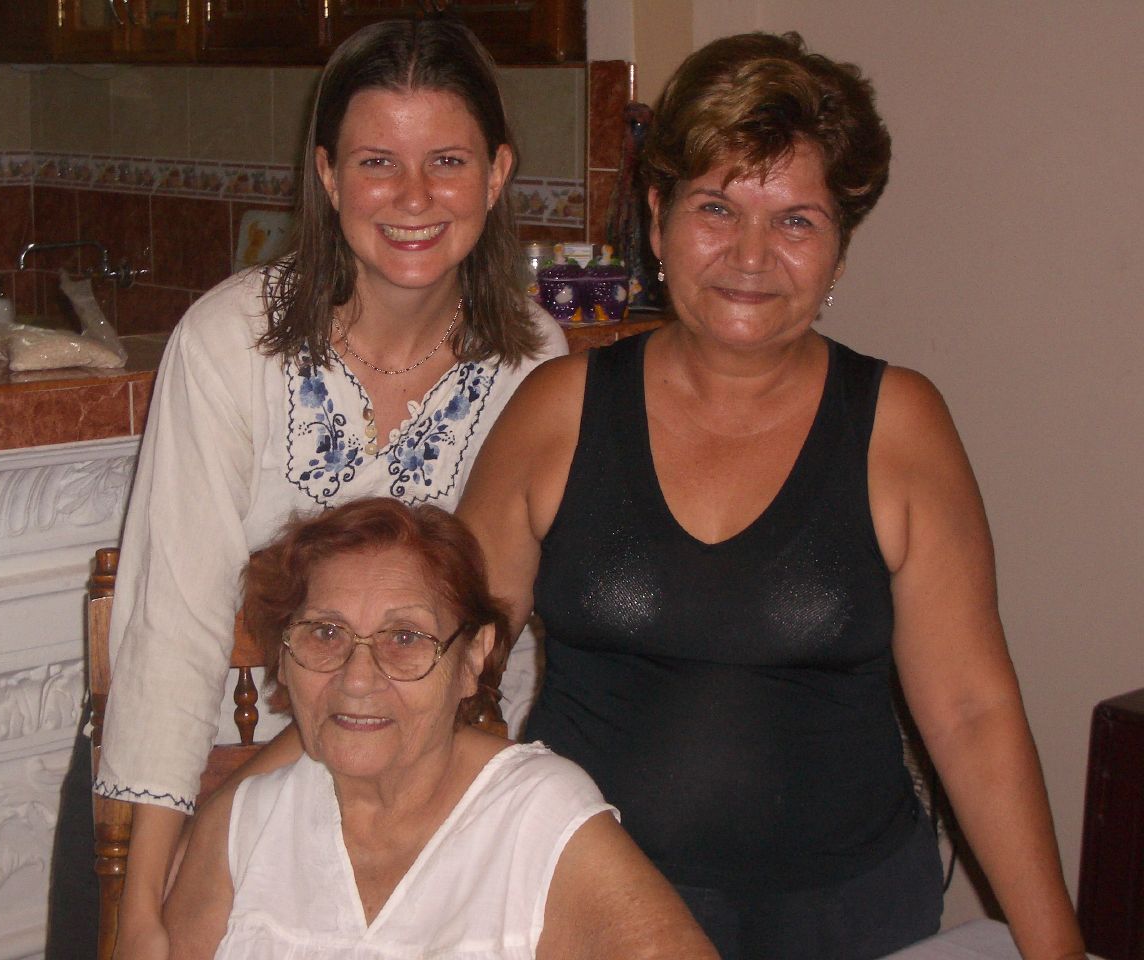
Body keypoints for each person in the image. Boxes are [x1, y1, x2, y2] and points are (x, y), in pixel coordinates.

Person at [456, 31, 1087, 960]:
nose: (751, 255)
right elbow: (451, 662)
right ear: (659, 213)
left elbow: (971, 713)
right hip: (587, 911)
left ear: (839, 247)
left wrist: (1058, 951)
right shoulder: (559, 411)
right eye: (717, 208)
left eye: (796, 220)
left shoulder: (900, 426)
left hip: (848, 922)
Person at [80, 18, 568, 960]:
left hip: (436, 784)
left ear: (498, 174)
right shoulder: (229, 344)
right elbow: (173, 630)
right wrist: (146, 903)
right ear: (330, 176)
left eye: (450, 161)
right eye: (378, 161)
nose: (415, 198)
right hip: (248, 790)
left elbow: (495, 637)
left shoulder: (532, 362)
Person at [161, 498, 718, 960]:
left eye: (404, 638)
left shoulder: (536, 816)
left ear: (473, 658)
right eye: (325, 633)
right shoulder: (242, 828)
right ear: (283, 658)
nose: (357, 680)